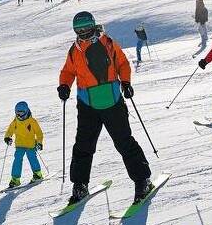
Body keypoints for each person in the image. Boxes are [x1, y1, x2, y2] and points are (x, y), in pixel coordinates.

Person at [58, 11, 152, 205]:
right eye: (79, 29)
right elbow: (68, 71)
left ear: (93, 25)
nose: (83, 32)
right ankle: (80, 185)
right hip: (87, 103)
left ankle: (142, 180)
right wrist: (64, 85)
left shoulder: (107, 42)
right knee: (83, 145)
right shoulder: (74, 50)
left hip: (112, 100)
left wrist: (125, 82)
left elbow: (123, 63)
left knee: (124, 141)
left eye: (86, 27)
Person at [3, 101, 45, 188]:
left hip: (30, 145)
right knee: (17, 160)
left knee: (32, 158)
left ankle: (38, 175)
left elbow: (39, 133)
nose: (19, 115)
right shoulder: (16, 121)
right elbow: (10, 130)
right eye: (17, 113)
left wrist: (39, 142)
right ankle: (15, 180)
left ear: (26, 111)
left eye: (21, 113)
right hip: (19, 145)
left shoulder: (32, 121)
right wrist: (7, 137)